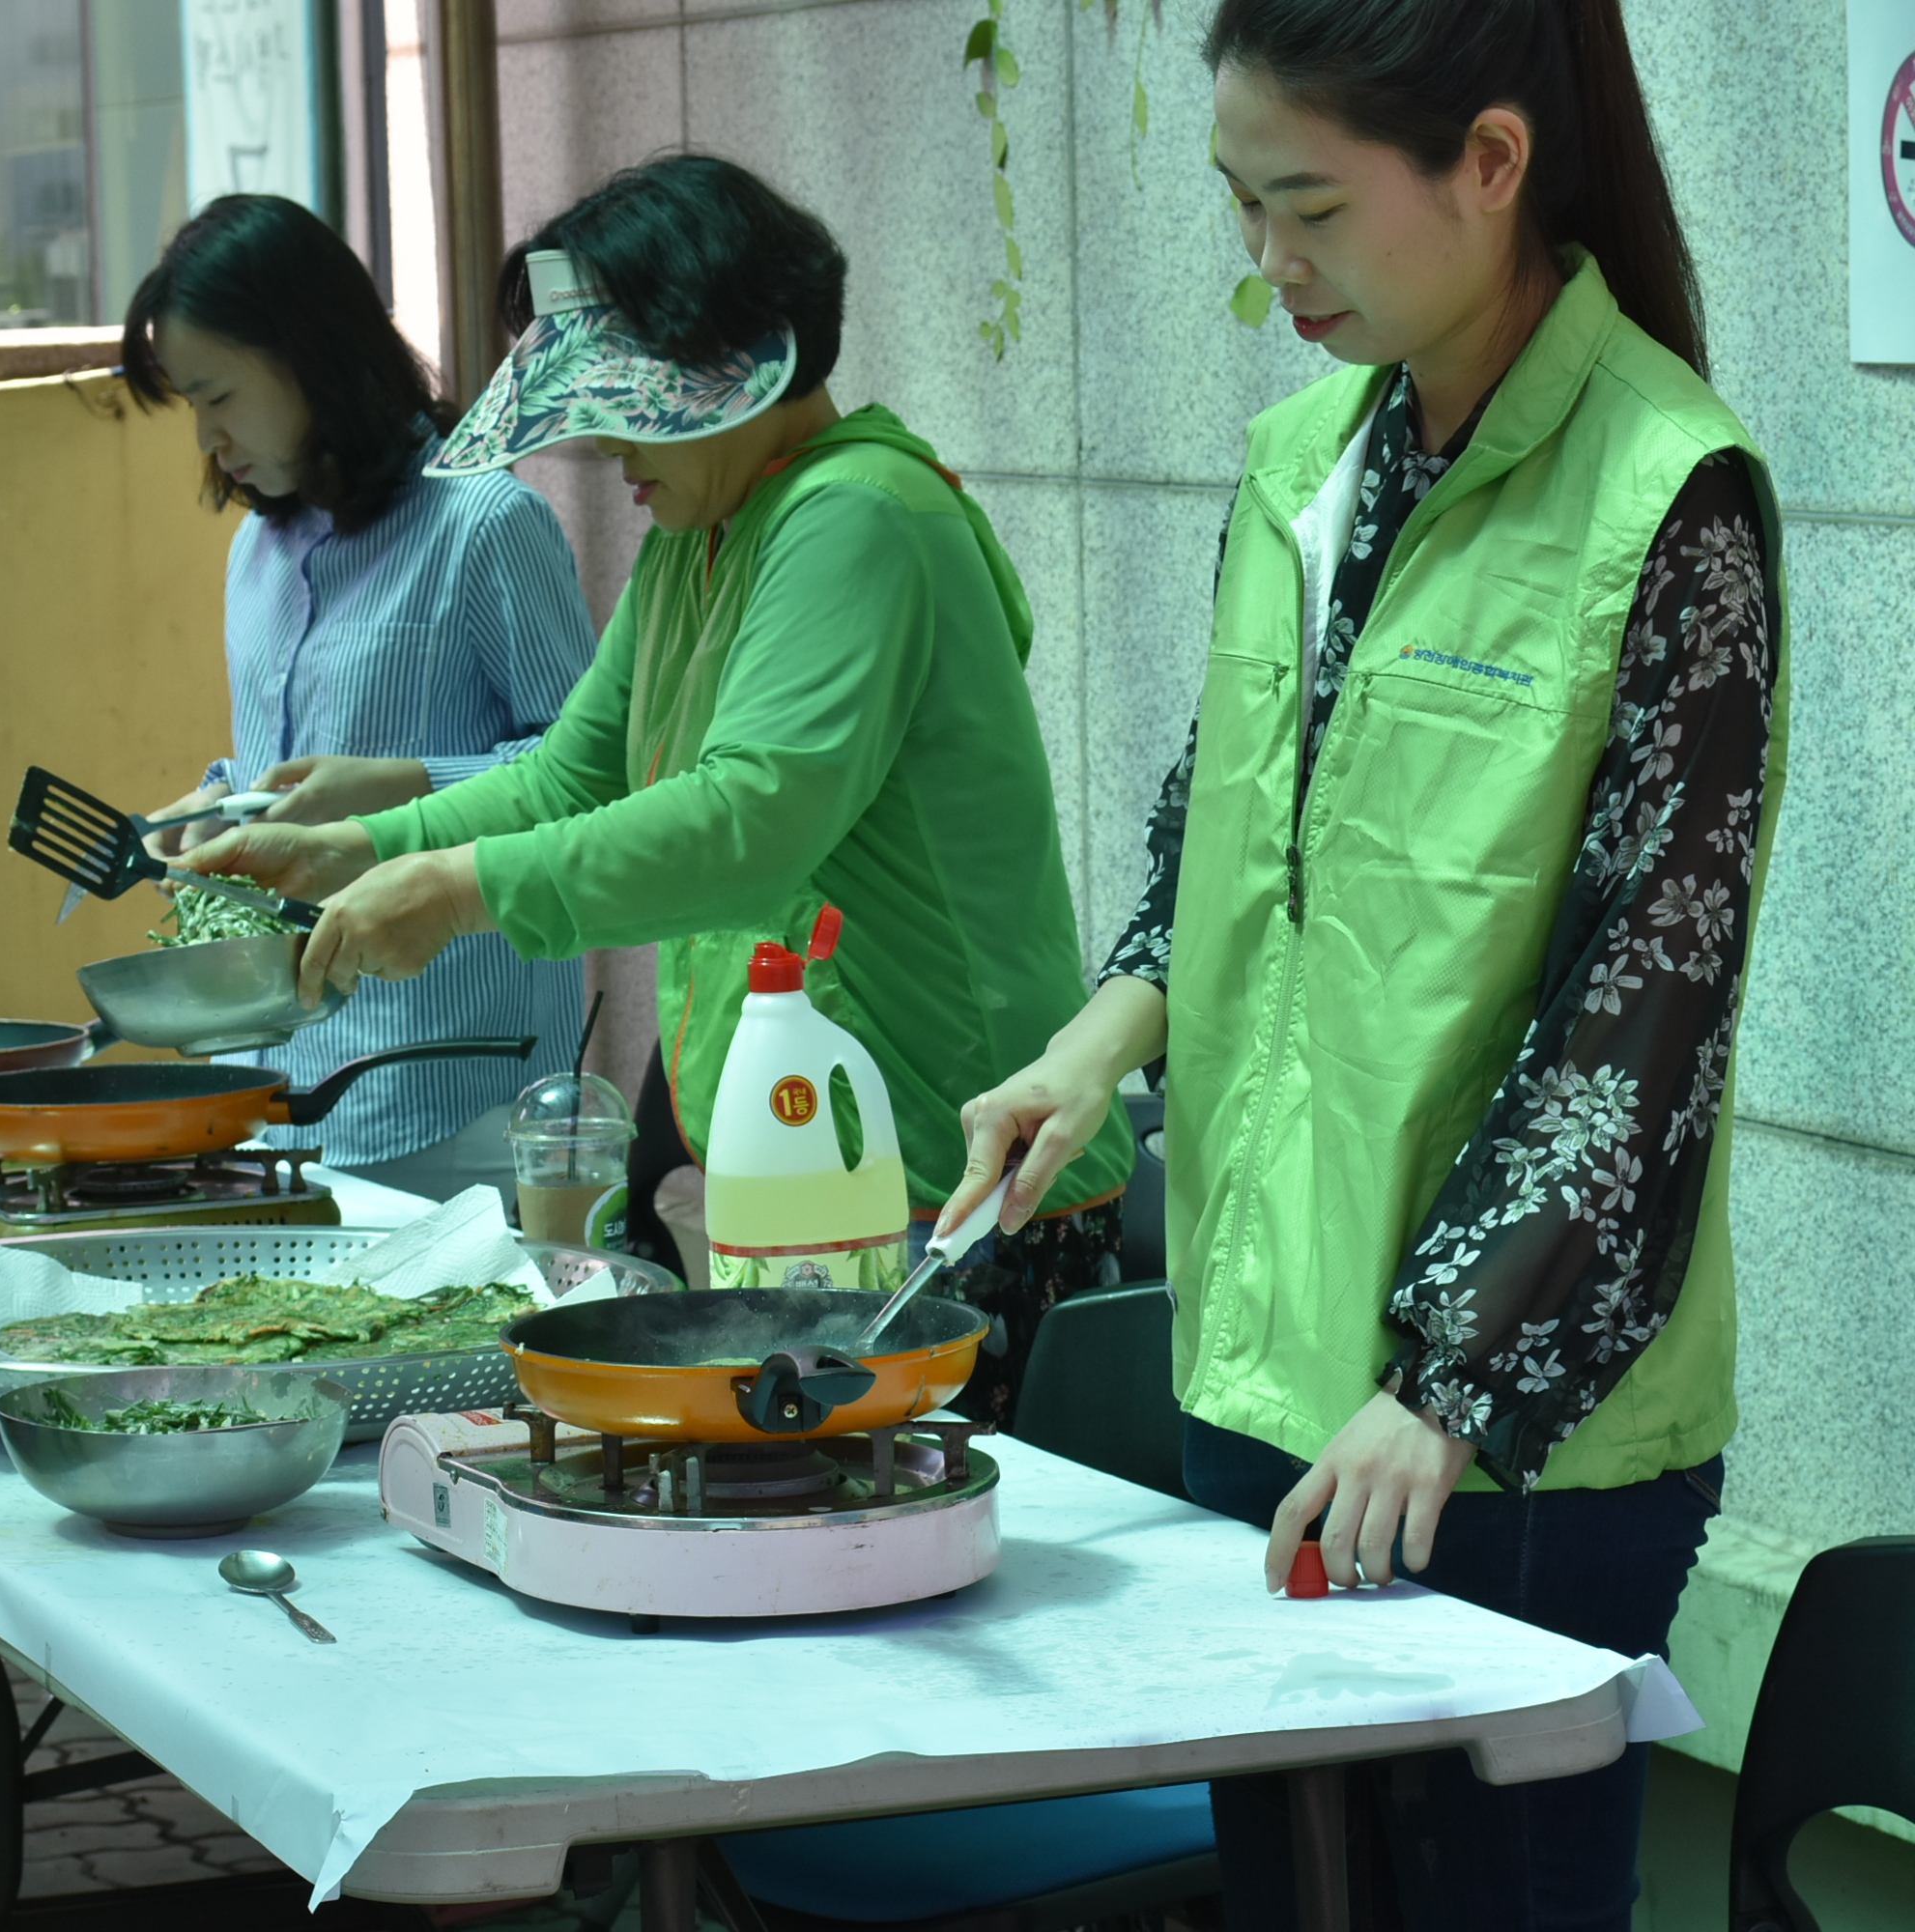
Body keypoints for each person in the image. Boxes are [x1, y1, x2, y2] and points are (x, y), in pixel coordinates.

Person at [941, 0, 1781, 1922]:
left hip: (1500, 1441)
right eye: (1239, 204)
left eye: (1308, 207)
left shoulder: (1667, 496)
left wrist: (1454, 1384)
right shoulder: (1302, 466)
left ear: (1488, 164)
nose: (1267, 264)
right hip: (1263, 1375)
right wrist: (1089, 1049)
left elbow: (1644, 1010)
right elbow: (1222, 837)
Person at [186, 157, 1132, 1422]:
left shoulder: (859, 515)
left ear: (734, 367)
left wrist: (456, 889)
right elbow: (572, 774)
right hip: (813, 1163)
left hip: (946, 1175)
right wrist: (358, 846)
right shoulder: (698, 537)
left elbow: (748, 824)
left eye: (625, 406)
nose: (600, 446)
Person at [118, 195, 600, 1211]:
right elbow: (286, 760)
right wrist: (216, 804)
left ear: (311, 356)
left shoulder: (486, 524)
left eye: (217, 395)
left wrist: (402, 784)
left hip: (449, 1093)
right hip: (274, 1086)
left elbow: (594, 778)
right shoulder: (258, 548)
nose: (206, 436)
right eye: (189, 406)